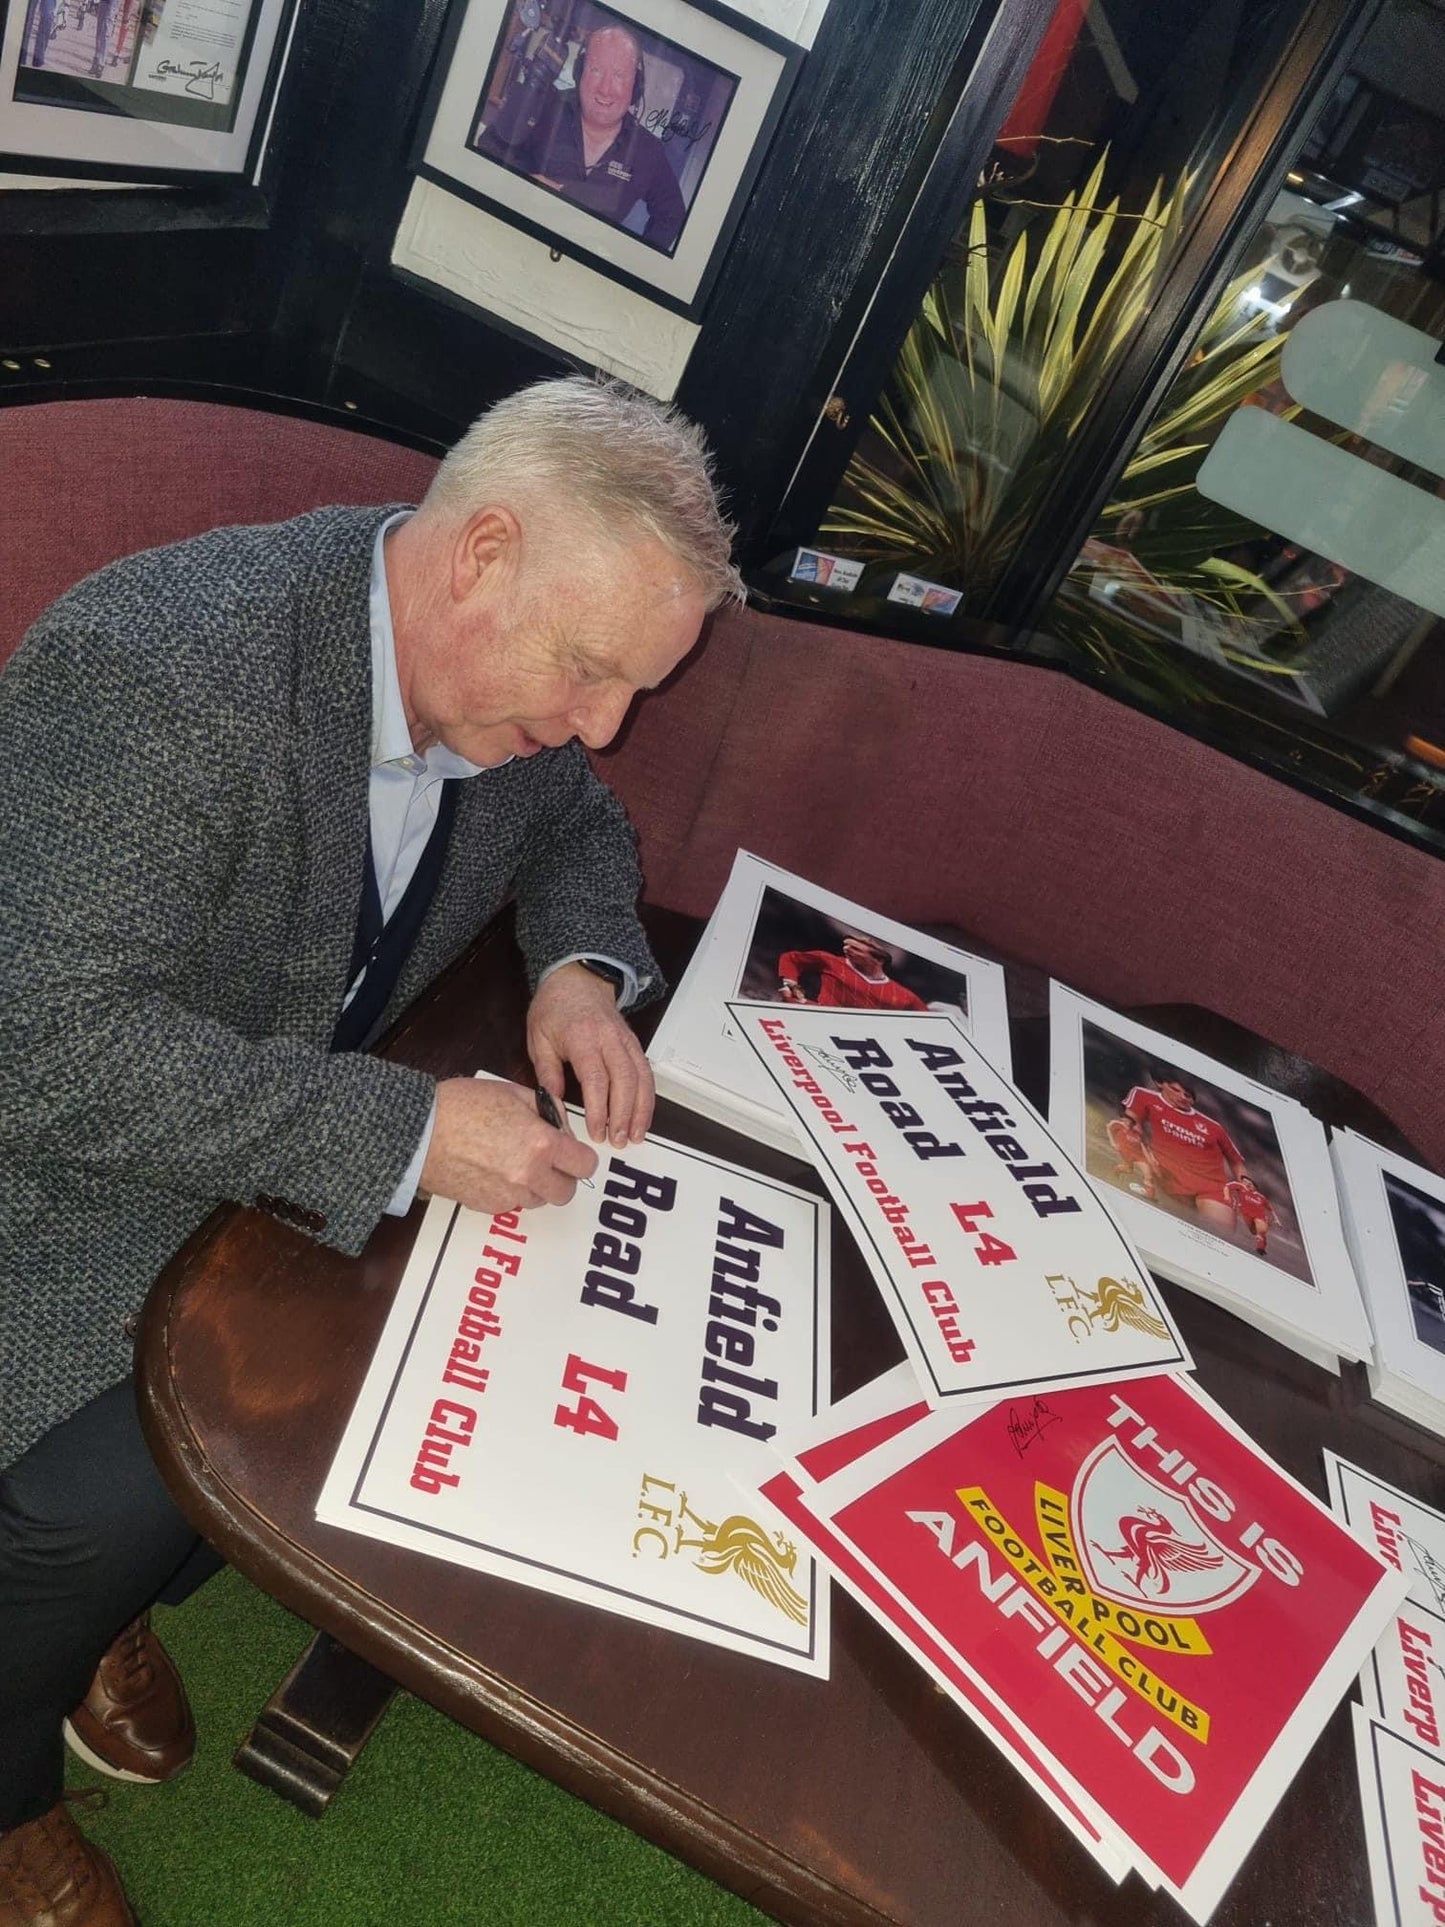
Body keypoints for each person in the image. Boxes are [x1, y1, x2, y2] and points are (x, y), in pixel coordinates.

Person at [0, 374, 741, 1925]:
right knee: (99, 1502)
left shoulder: (494, 674)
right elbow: (39, 1048)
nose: (601, 724)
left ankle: (90, 1624)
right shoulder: (161, 671)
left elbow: (576, 824)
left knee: (415, 1390)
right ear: (477, 555)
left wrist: (581, 967)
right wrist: (405, 1127)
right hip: (63, 1174)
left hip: (267, 1139)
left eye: (633, 693)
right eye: (593, 673)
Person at [505, 23, 687, 251]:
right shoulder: (544, 104)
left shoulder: (648, 150)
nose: (605, 89)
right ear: (580, 71)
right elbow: (490, 148)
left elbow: (673, 213)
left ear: (636, 86)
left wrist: (633, 263)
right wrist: (523, 183)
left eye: (619, 75)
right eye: (596, 70)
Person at [1107, 1071, 1248, 1234]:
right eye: (1175, 1090)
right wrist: (1145, 1156)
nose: (1182, 1096)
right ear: (1160, 1083)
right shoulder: (1143, 1095)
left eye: (1187, 1095)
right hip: (1166, 1177)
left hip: (1211, 1188)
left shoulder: (1214, 1127)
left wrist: (1246, 1192)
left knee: (1220, 1238)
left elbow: (1237, 1162)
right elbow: (1130, 1125)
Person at [776, 934, 928, 1012]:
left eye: (856, 950)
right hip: (821, 1015)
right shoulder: (831, 961)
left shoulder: (904, 996)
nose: (847, 951)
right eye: (847, 947)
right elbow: (792, 959)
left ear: (878, 960)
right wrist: (792, 985)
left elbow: (926, 1017)